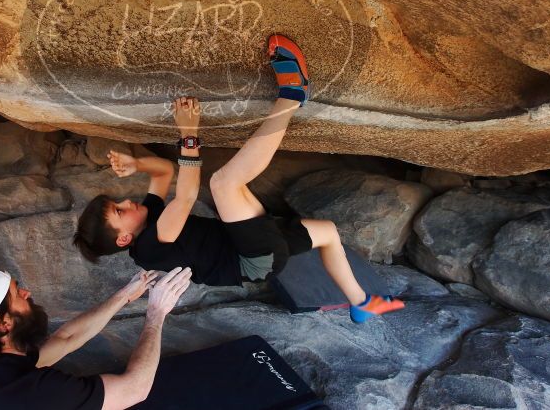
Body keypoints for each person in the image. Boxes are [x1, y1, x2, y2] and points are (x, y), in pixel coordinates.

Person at [73, 34, 404, 323]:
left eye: (116, 203)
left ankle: (361, 303)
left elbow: (165, 171)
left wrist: (137, 164)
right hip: (253, 260)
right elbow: (186, 196)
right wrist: (189, 132)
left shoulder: (148, 216)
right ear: (124, 239)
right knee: (223, 184)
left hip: (245, 242)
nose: (125, 202)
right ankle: (292, 94)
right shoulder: (150, 247)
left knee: (328, 233)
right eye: (119, 211)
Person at [0, 264, 192, 409]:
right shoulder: (32, 393)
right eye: (16, 294)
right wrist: (156, 314)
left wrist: (125, 295)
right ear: (3, 323)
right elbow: (135, 389)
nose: (26, 292)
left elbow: (65, 339)